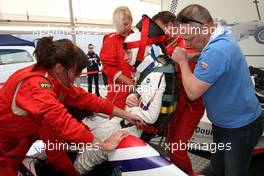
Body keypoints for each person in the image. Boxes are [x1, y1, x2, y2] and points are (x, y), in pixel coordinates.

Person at [0, 37, 145, 176]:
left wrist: (129, 116)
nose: (77, 78)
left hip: (20, 139)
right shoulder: (36, 85)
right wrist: (104, 145)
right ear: (59, 68)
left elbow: (90, 100)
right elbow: (62, 123)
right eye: (75, 73)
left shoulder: (53, 78)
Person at [171, 4, 264, 176]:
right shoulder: (220, 34)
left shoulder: (217, 51)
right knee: (217, 169)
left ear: (205, 28)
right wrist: (193, 56)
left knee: (233, 173)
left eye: (189, 39)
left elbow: (192, 93)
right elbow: (213, 56)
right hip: (225, 124)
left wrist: (183, 61)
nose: (186, 43)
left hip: (239, 127)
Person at [74, 15, 170, 174]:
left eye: (127, 53)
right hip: (127, 120)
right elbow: (138, 96)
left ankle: (74, 172)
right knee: (91, 135)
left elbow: (149, 117)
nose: (125, 58)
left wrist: (131, 107)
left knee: (91, 152)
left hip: (135, 127)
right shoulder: (149, 71)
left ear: (138, 50)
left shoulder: (154, 75)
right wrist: (131, 98)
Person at [152, 11, 204, 174]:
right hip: (177, 105)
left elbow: (190, 85)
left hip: (190, 105)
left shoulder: (185, 43)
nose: (155, 33)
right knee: (171, 146)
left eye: (157, 28)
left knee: (176, 150)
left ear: (168, 26)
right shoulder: (169, 44)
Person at [100, 6, 135, 110]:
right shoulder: (111, 39)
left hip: (139, 87)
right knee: (118, 120)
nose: (124, 28)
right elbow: (108, 68)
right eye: (120, 25)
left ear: (131, 20)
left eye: (126, 24)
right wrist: (129, 82)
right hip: (119, 90)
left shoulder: (138, 37)